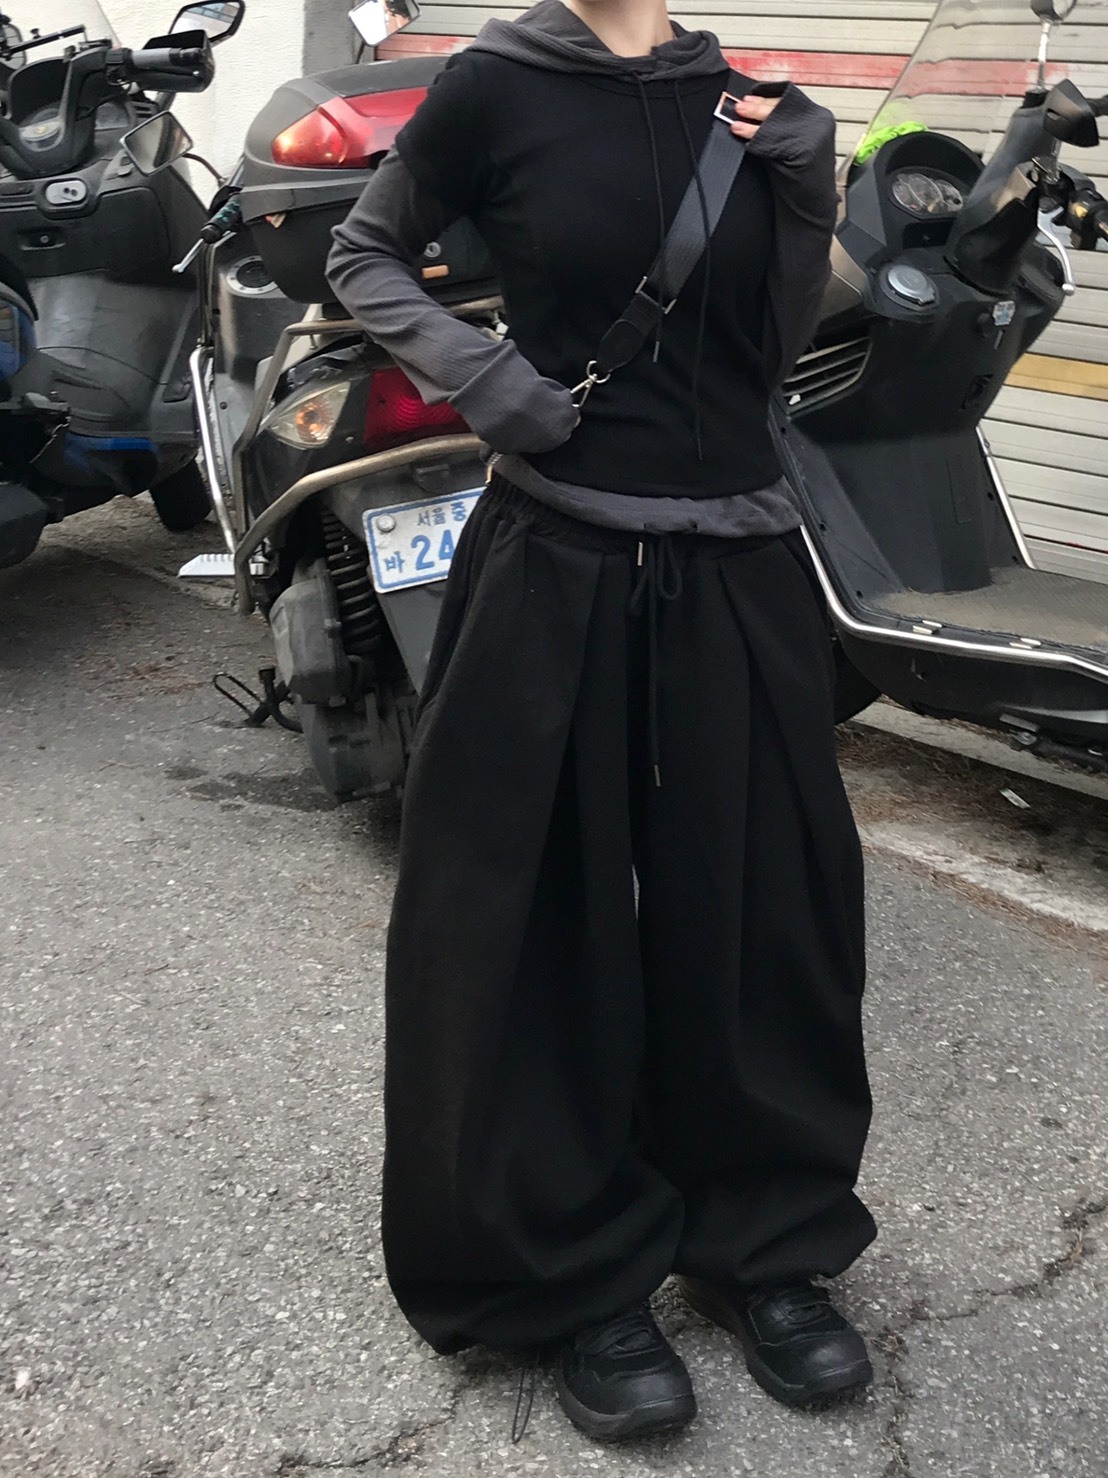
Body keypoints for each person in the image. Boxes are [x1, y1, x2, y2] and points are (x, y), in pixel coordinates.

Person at [327, 0, 876, 1443]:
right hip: (559, 554)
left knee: (765, 908)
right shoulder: (493, 86)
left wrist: (806, 191)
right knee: (536, 916)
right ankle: (570, 1266)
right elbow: (363, 254)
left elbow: (765, 353)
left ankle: (765, 1237)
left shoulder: (744, 106)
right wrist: (483, 375)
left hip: (741, 557)